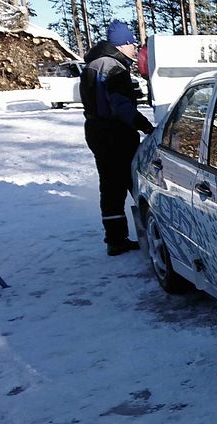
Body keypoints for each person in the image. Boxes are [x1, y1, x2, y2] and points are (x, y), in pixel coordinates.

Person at [80, 20, 154, 256]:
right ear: (122, 44)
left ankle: (115, 238)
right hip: (114, 133)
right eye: (132, 43)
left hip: (97, 130)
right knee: (136, 181)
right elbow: (120, 105)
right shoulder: (113, 68)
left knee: (110, 186)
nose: (135, 48)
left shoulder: (95, 63)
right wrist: (143, 124)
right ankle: (150, 234)